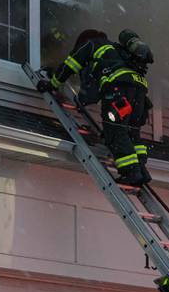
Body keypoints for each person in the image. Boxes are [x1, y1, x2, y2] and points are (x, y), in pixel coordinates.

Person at [38, 28, 153, 186]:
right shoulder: (117, 50)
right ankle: (141, 170)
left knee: (115, 129)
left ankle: (131, 171)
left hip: (119, 90)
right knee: (132, 130)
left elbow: (70, 65)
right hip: (140, 92)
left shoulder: (90, 44)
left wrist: (52, 84)